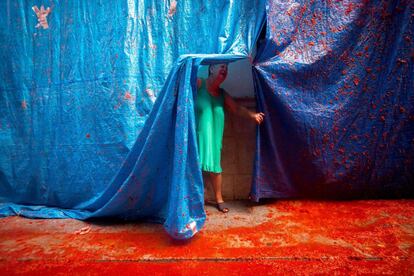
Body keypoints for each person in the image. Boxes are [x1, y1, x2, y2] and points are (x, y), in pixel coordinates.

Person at [195, 63, 265, 213]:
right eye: (221, 66)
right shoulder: (199, 83)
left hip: (214, 138)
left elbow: (237, 109)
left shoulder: (222, 94)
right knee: (195, 168)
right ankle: (196, 200)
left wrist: (252, 115)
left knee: (215, 168)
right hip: (197, 136)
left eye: (226, 68)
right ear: (211, 69)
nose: (224, 70)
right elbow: (182, 87)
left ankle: (218, 199)